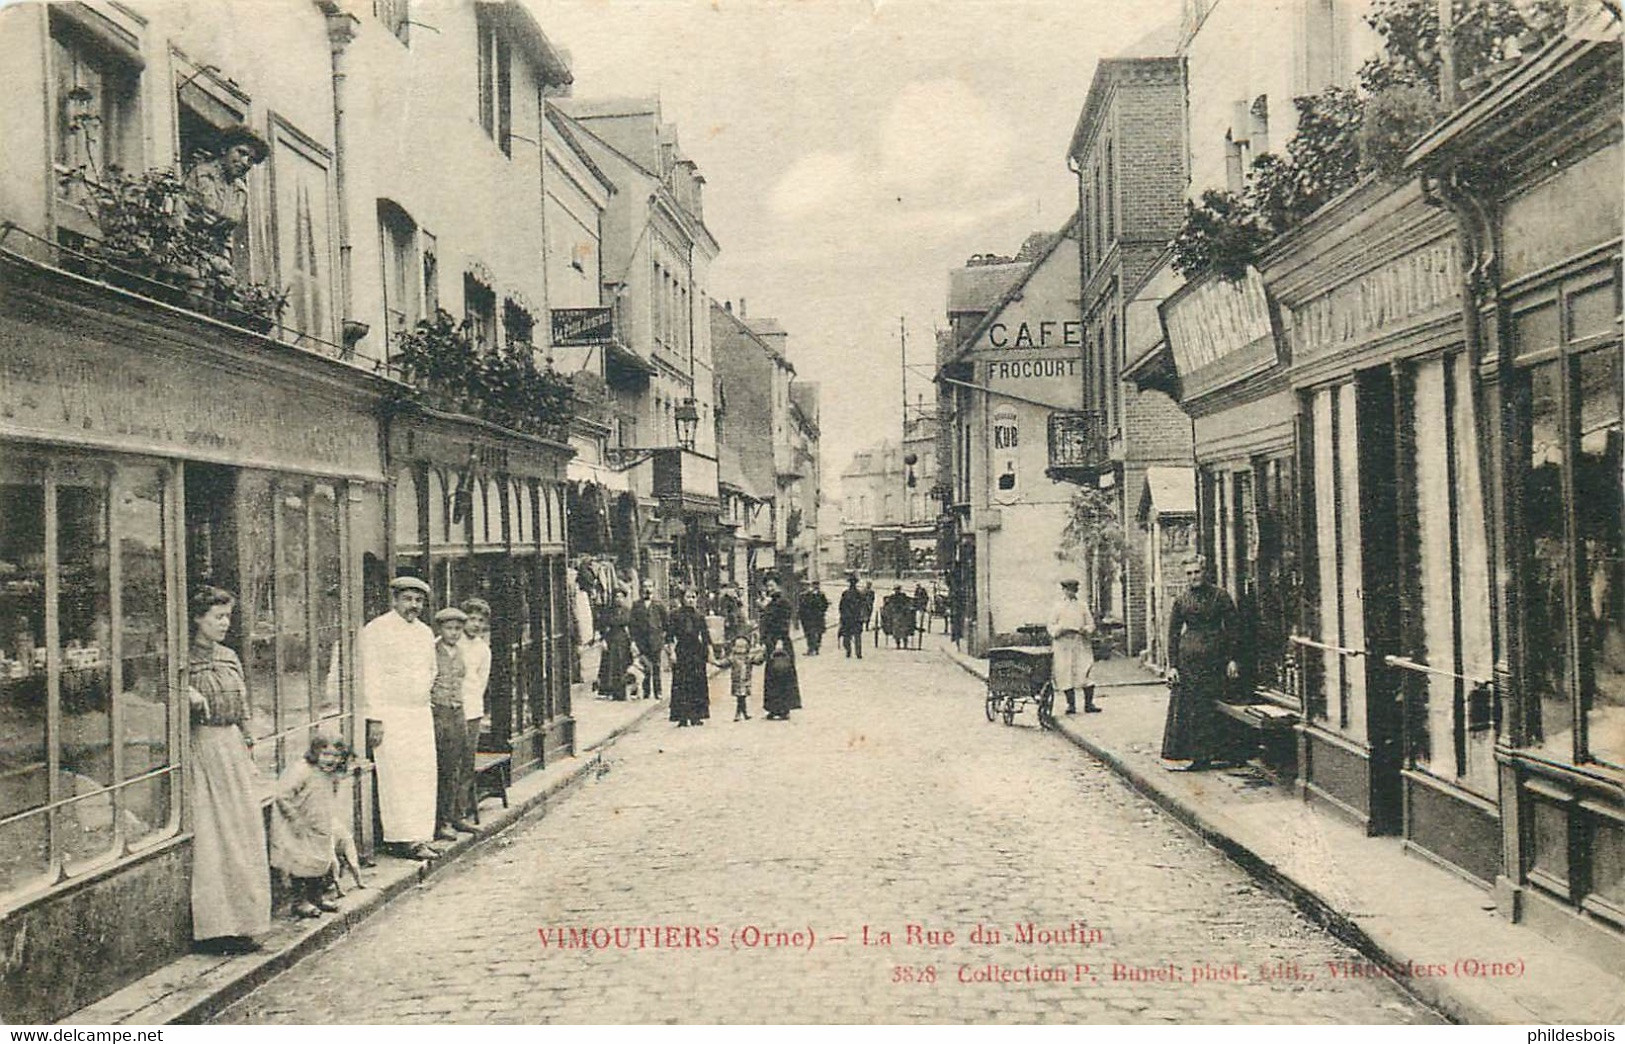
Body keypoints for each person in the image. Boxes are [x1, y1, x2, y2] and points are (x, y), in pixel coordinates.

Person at [186, 585, 271, 954]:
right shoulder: (182, 661)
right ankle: (217, 928)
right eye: (218, 617)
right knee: (215, 836)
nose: (224, 624)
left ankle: (245, 922)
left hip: (232, 747)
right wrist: (183, 694)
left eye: (228, 617)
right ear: (197, 618)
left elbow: (244, 706)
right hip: (203, 749)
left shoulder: (229, 656)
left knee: (243, 833)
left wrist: (249, 742)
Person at [360, 576, 440, 861]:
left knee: (422, 773)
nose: (413, 606)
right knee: (397, 776)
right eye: (407, 599)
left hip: (419, 712)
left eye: (418, 600)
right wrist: (376, 717)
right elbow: (371, 675)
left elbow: (432, 670)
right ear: (394, 600)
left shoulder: (425, 633)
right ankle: (401, 838)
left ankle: (421, 836)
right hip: (391, 713)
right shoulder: (376, 630)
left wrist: (421, 695)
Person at [1162, 555, 1243, 770]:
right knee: (1193, 709)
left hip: (1216, 660)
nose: (1193, 577)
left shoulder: (1220, 596)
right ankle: (1198, 757)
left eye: (1197, 572)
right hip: (1189, 662)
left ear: (1205, 572)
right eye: (1189, 573)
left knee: (1215, 706)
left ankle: (1224, 753)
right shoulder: (1181, 600)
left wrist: (1233, 658)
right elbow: (1173, 634)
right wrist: (1172, 666)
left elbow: (1234, 628)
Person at [180, 125, 269, 286]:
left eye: (251, 159)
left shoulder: (241, 191)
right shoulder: (203, 174)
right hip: (186, 253)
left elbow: (227, 234)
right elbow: (181, 213)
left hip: (215, 261)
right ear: (224, 149)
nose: (245, 162)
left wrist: (225, 263)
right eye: (241, 153)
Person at [270, 735, 347, 919]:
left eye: (337, 756)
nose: (331, 760)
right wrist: (295, 818)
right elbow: (282, 795)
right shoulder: (302, 770)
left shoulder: (331, 774)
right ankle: (300, 902)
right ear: (315, 752)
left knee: (320, 861)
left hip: (319, 825)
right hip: (299, 825)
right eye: (326, 754)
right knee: (301, 864)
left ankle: (316, 897)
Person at [429, 606, 474, 844]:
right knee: (441, 767)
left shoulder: (461, 652)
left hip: (458, 712)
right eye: (449, 628)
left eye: (458, 628)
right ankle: (440, 821)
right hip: (439, 712)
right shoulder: (432, 651)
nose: (454, 633)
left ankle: (454, 815)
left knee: (457, 765)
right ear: (440, 629)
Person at [459, 598, 492, 827]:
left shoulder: (482, 649)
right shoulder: (450, 642)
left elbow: (481, 681)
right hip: (450, 709)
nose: (476, 625)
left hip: (471, 709)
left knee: (467, 761)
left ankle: (461, 811)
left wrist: (472, 704)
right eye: (472, 619)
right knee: (450, 762)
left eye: (480, 621)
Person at [1048, 576, 1098, 715]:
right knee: (1065, 672)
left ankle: (1089, 704)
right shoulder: (1057, 606)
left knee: (1085, 670)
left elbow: (1091, 624)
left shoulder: (1082, 606)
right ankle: (1071, 705)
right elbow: (1051, 625)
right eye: (1068, 590)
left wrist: (1086, 629)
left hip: (1080, 643)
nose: (1071, 593)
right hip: (1063, 644)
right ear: (1063, 590)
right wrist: (1060, 630)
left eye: (1073, 590)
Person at [667, 587, 713, 727]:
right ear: (683, 599)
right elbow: (669, 636)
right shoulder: (675, 615)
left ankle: (696, 716)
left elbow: (705, 637)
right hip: (682, 651)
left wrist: (709, 653)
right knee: (681, 684)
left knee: (696, 684)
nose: (691, 600)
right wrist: (672, 653)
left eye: (693, 597)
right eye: (688, 597)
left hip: (696, 653)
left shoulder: (699, 616)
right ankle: (682, 716)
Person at [760, 576, 802, 720]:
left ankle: (784, 708)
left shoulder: (783, 602)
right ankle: (774, 708)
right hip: (772, 642)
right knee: (772, 675)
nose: (769, 588)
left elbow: (783, 623)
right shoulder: (772, 602)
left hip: (780, 642)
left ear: (778, 585)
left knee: (782, 673)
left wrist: (779, 641)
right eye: (767, 586)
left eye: (771, 585)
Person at [629, 580, 668, 701]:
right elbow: (632, 624)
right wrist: (634, 641)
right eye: (645, 586)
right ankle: (646, 692)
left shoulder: (659, 605)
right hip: (642, 641)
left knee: (656, 666)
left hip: (655, 640)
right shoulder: (636, 605)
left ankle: (658, 692)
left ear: (653, 588)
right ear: (641, 589)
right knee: (645, 666)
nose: (647, 589)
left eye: (650, 586)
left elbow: (666, 623)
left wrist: (663, 639)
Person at [596, 588, 635, 701]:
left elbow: (631, 628)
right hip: (611, 639)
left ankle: (623, 691)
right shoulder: (608, 611)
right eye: (617, 597)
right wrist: (603, 640)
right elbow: (603, 627)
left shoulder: (628, 611)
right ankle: (610, 691)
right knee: (610, 666)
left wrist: (632, 642)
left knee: (623, 665)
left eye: (621, 597)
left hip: (623, 640)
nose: (619, 599)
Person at [721, 635, 759, 721]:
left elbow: (757, 661)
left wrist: (762, 655)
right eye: (738, 647)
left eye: (743, 647)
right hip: (737, 681)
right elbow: (724, 663)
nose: (740, 649)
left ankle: (742, 713)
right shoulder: (733, 658)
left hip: (745, 680)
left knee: (742, 697)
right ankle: (739, 714)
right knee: (741, 697)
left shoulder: (748, 658)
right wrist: (715, 662)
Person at [838, 573, 867, 659]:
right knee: (848, 636)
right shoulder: (846, 594)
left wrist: (861, 615)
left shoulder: (859, 594)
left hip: (854, 618)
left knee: (855, 636)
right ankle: (850, 651)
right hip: (849, 618)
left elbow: (862, 605)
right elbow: (841, 606)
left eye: (853, 583)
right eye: (851, 583)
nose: (852, 585)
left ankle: (856, 652)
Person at [798, 581, 829, 655]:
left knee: (817, 632)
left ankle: (815, 647)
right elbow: (801, 607)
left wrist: (822, 612)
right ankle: (812, 648)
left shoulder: (821, 594)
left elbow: (825, 604)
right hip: (808, 618)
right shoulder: (803, 595)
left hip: (817, 617)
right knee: (810, 633)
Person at [882, 585, 916, 649]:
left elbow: (908, 601)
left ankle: (905, 643)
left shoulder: (903, 596)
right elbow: (888, 604)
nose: (897, 591)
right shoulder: (892, 597)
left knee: (904, 630)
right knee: (896, 631)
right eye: (895, 590)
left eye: (898, 589)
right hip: (895, 615)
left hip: (903, 615)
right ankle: (898, 644)